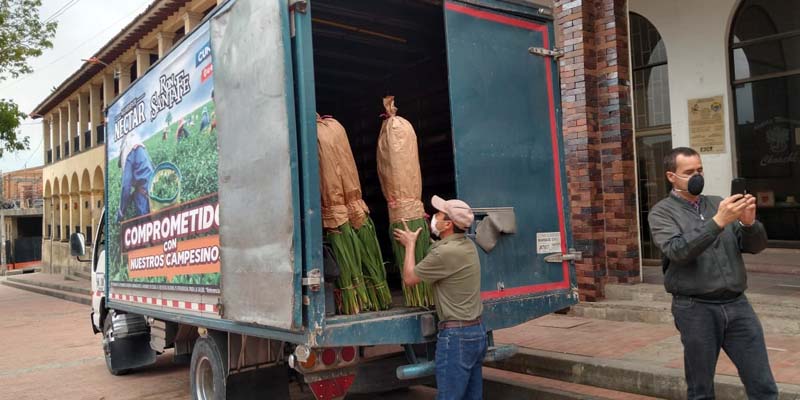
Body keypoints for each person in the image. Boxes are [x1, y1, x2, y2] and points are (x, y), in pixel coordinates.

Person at [648, 147, 778, 400]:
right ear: (671, 177)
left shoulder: (718, 203)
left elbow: (754, 246)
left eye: (700, 170)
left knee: (762, 384)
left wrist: (749, 224)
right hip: (695, 309)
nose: (697, 176)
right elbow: (678, 251)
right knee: (701, 389)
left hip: (737, 305)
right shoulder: (661, 212)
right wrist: (718, 222)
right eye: (689, 172)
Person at [393, 195, 485, 400]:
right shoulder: (467, 245)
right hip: (477, 333)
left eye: (438, 214)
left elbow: (409, 278)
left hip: (457, 338)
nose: (433, 217)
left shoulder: (444, 253)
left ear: (448, 224)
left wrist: (409, 245)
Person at [117, 133, 155, 222]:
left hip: (143, 193)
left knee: (145, 228)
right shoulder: (140, 147)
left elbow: (126, 187)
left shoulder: (128, 154)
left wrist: (121, 212)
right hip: (153, 186)